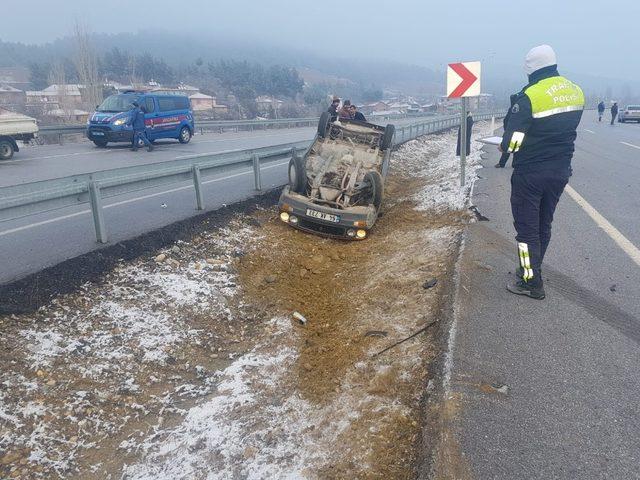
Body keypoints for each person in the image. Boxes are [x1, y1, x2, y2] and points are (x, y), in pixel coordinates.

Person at [500, 44, 584, 299]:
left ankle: (529, 281)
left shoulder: (530, 96)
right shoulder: (575, 90)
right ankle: (533, 269)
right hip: (560, 171)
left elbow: (512, 143)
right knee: (543, 225)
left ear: (530, 68)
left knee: (526, 231)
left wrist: (508, 139)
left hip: (531, 174)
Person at [496, 94, 519, 168]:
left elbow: (505, 120)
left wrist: (506, 129)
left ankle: (502, 163)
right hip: (518, 132)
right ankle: (516, 164)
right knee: (516, 148)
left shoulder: (511, 109)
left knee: (507, 148)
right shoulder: (520, 107)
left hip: (510, 132)